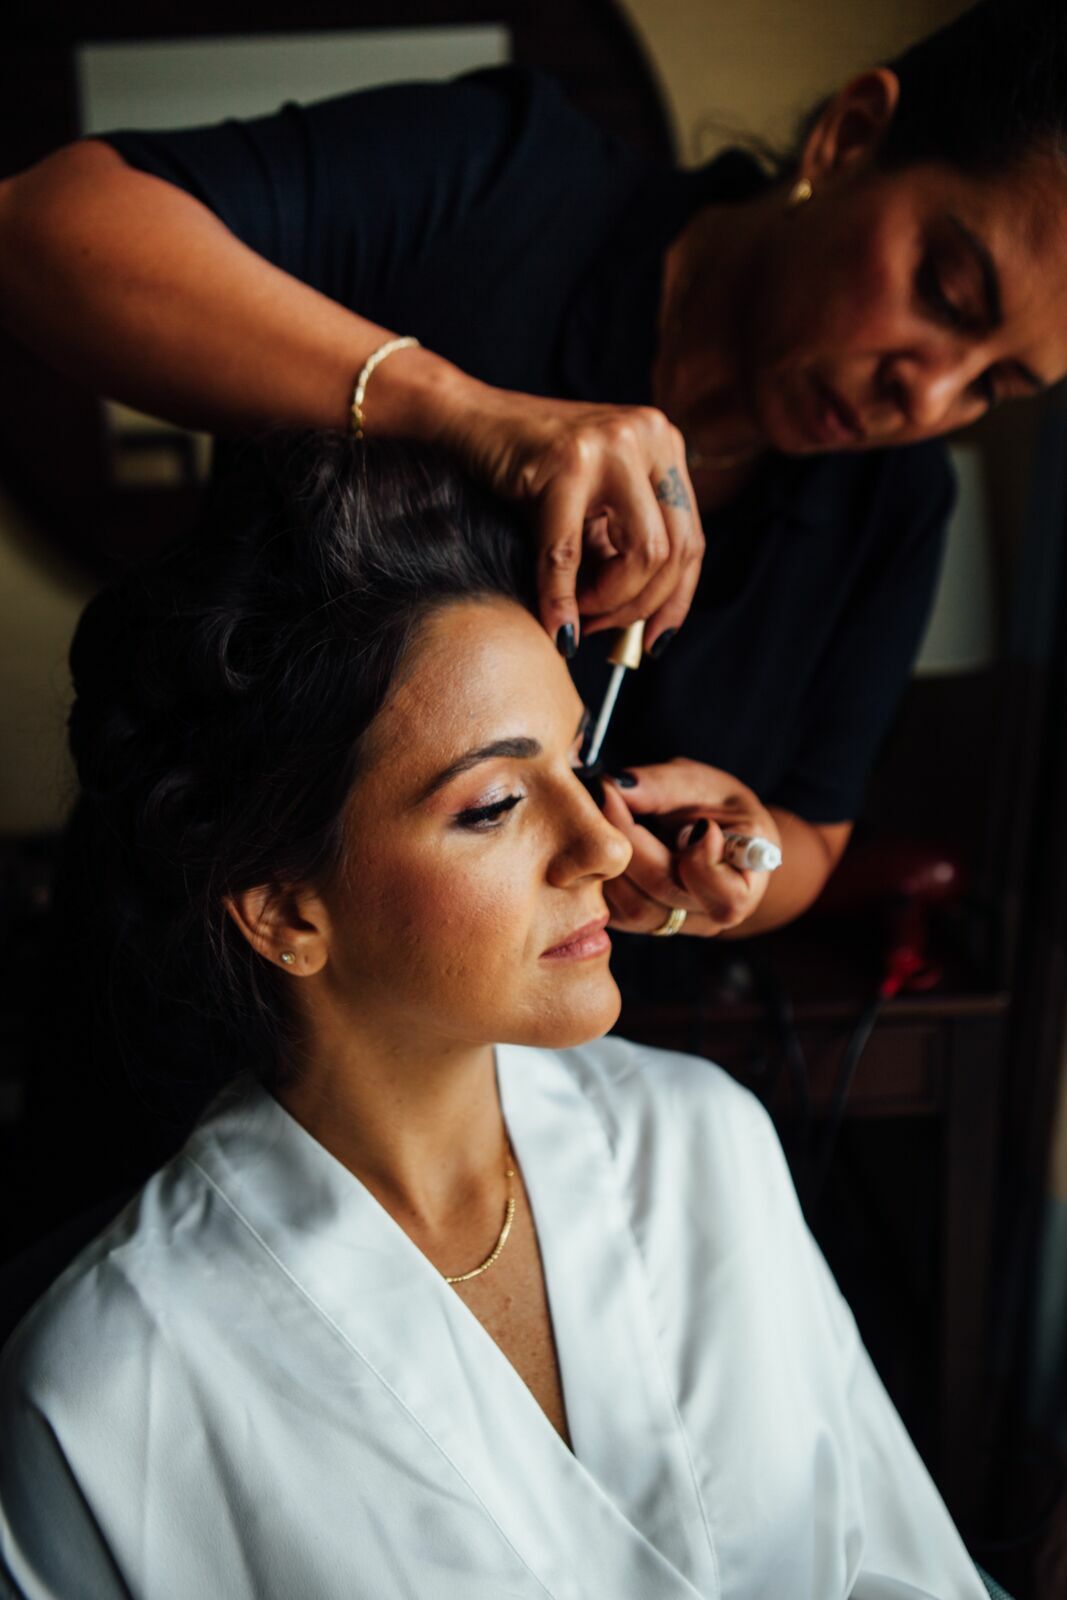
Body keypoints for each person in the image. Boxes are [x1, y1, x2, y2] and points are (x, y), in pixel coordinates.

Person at [0, 435, 989, 1599]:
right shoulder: (108, 1388)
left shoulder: (701, 1143)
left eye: (580, 759)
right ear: (282, 911)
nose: (606, 842)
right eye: (495, 804)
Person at [1, 0, 1065, 949]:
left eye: (995, 387)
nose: (927, 399)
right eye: (944, 292)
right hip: (213, 975)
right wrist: (457, 410)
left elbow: (811, 833)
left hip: (548, 1074)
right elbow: (41, 230)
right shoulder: (502, 178)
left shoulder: (895, 503)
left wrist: (735, 863)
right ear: (845, 140)